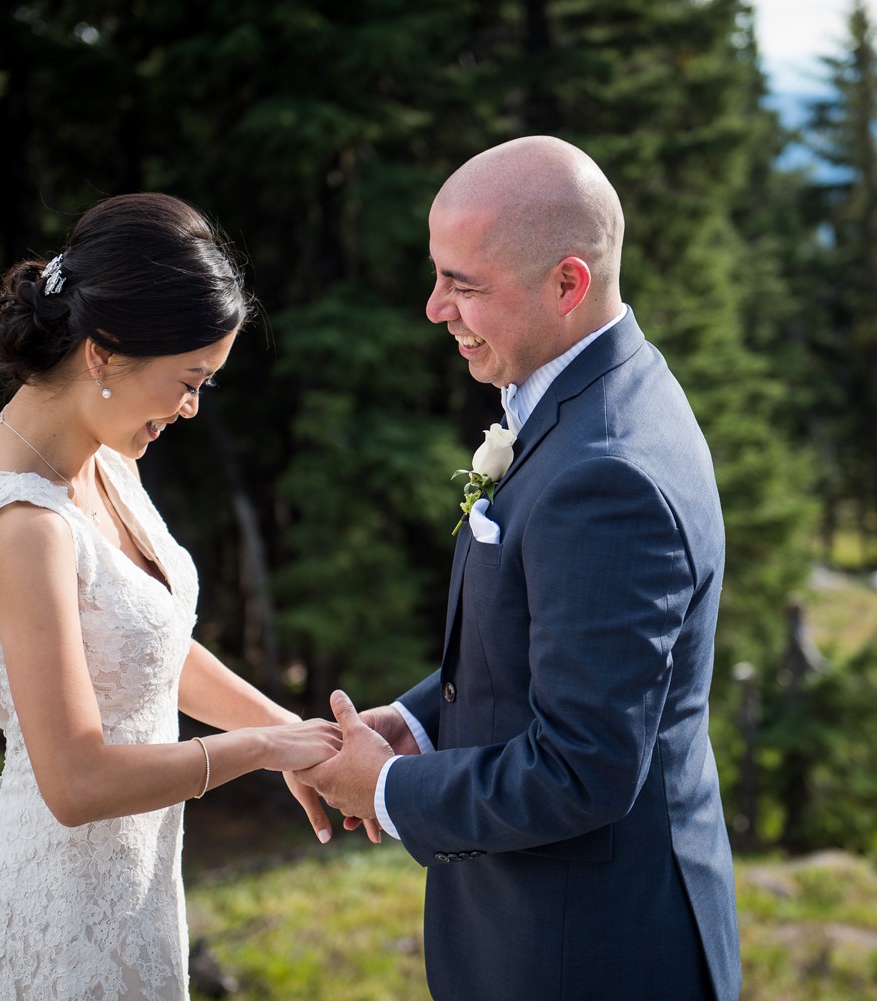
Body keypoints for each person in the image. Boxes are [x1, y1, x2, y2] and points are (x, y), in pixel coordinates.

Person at [298, 136, 743, 1001]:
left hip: (588, 953)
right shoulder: (590, 391)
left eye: (463, 285)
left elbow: (584, 763)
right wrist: (418, 724)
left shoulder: (606, 471)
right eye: (437, 276)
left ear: (567, 284)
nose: (435, 309)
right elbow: (554, 636)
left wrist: (389, 788)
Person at [0, 192, 340, 1000]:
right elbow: (77, 782)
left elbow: (151, 647)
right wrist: (260, 754)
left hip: (141, 881)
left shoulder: (107, 456)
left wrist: (298, 733)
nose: (191, 407)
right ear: (104, 353)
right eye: (189, 379)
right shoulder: (23, 528)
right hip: (61, 912)